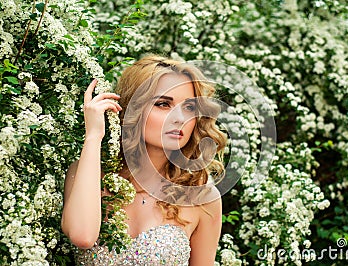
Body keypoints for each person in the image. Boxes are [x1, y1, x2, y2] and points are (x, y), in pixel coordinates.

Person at [61, 55, 227, 265]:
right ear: (133, 108)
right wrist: (94, 135)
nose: (179, 118)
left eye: (189, 108)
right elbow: (82, 236)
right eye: (163, 104)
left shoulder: (202, 197)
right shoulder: (87, 173)